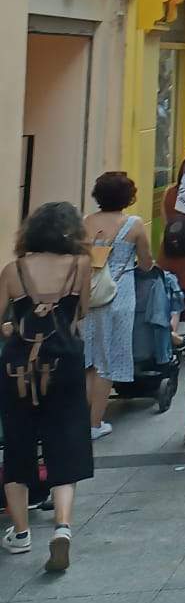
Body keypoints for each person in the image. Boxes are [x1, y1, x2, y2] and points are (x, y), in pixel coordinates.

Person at [1, 201, 92, 570]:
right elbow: (81, 312)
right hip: (64, 362)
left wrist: (12, 327)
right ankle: (62, 527)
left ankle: (21, 533)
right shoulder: (80, 266)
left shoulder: (13, 270)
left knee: (18, 442)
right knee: (65, 441)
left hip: (18, 369)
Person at [81, 171, 153, 438]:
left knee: (89, 359)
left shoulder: (86, 222)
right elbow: (146, 263)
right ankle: (95, 423)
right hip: (118, 296)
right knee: (107, 360)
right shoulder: (134, 225)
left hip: (88, 295)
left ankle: (81, 420)